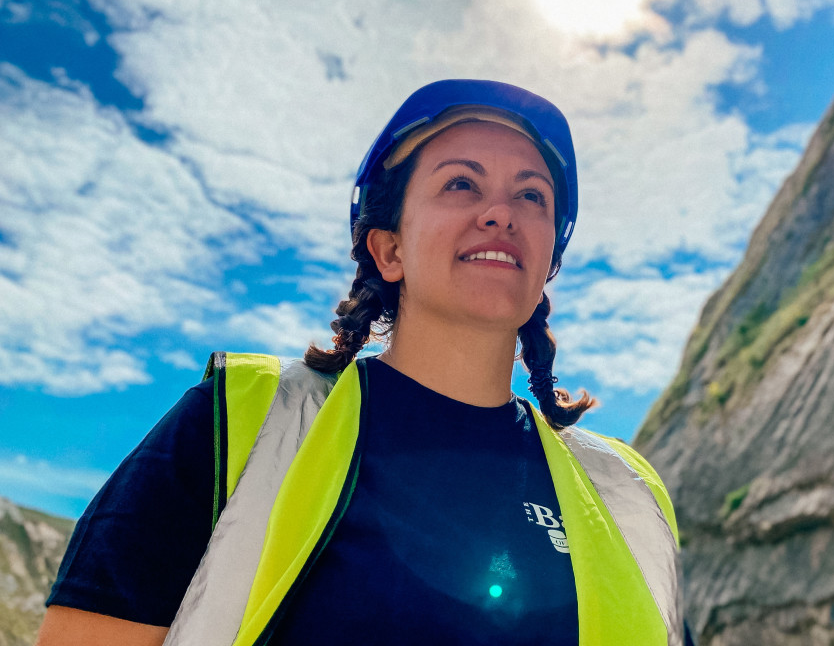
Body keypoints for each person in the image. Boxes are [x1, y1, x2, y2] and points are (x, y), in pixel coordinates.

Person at [36, 79, 688, 645]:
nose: (500, 213)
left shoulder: (627, 495)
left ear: (547, 261)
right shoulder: (242, 425)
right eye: (462, 183)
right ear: (388, 250)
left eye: (532, 196)